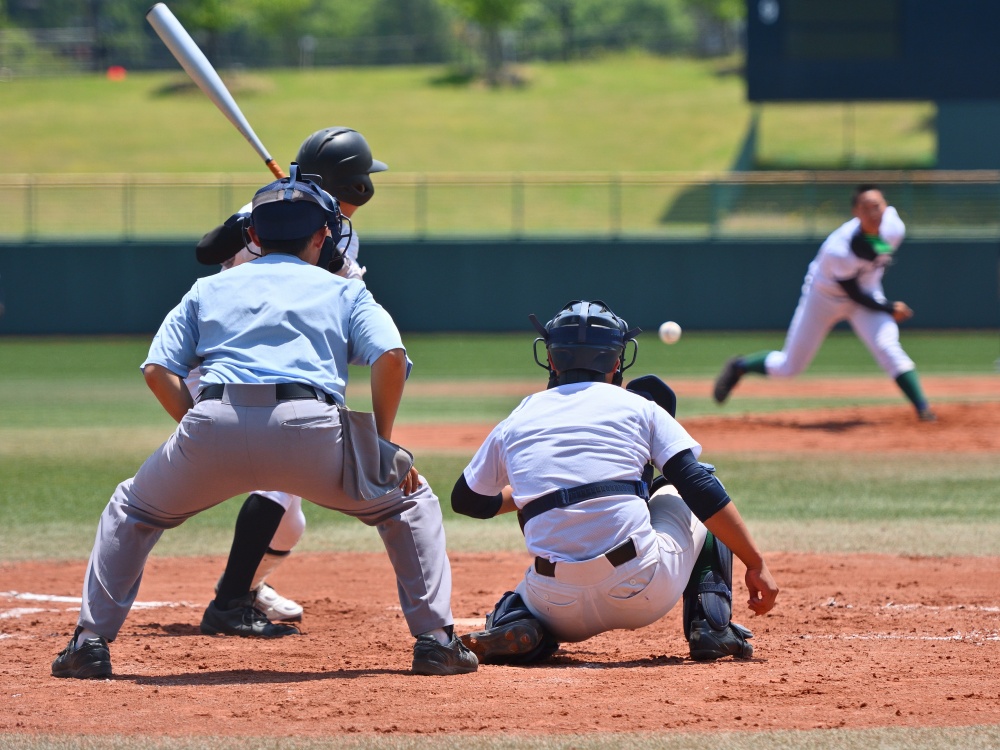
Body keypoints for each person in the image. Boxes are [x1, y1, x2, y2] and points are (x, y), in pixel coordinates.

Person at [51, 168, 477, 679]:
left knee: (131, 510)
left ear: (252, 235)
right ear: (322, 236)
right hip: (311, 429)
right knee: (408, 504)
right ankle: (435, 642)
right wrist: (381, 444)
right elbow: (390, 356)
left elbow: (156, 369)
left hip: (214, 417)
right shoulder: (343, 291)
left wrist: (199, 428)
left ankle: (89, 644)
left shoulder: (209, 288)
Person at [450, 300, 779, 665]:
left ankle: (524, 623)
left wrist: (533, 495)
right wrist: (756, 562)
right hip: (643, 590)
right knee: (693, 485)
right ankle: (712, 626)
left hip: (557, 605)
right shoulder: (640, 407)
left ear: (552, 359)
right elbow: (699, 487)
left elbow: (467, 500)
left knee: (524, 596)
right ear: (618, 360)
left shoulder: (520, 415)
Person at [192, 127, 389, 626]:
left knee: (290, 520)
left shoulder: (338, 231)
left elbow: (341, 292)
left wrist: (332, 253)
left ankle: (247, 586)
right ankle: (228, 603)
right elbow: (207, 250)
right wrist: (251, 222)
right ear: (356, 186)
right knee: (278, 481)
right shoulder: (264, 212)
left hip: (282, 370)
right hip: (226, 368)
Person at [712, 184, 936, 421]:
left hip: (867, 293)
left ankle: (923, 409)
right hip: (824, 298)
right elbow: (853, 293)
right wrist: (889, 308)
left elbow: (878, 253)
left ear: (886, 206)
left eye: (877, 206)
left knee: (888, 346)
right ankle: (740, 366)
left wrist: (883, 300)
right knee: (789, 367)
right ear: (855, 212)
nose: (873, 213)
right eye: (866, 208)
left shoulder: (894, 228)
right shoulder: (838, 250)